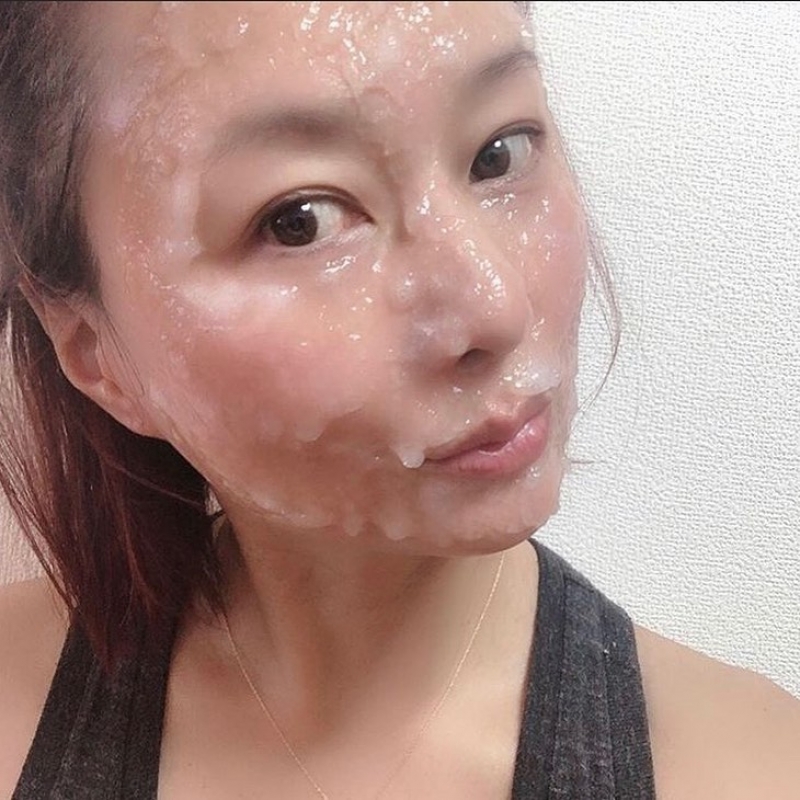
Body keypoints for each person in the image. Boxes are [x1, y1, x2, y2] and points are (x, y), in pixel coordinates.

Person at [0, 2, 798, 798]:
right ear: (98, 354)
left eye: (498, 155)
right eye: (300, 222)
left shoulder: (754, 771)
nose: (495, 307)